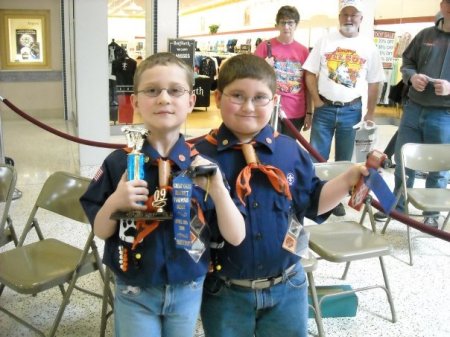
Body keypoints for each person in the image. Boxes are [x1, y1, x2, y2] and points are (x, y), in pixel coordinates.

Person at [195, 54, 368, 337]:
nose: (249, 107)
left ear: (274, 100)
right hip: (224, 291)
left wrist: (348, 179)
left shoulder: (289, 151)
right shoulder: (200, 157)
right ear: (217, 98)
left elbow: (311, 202)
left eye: (260, 97)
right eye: (237, 95)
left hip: (288, 286)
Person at [80, 52, 245, 337]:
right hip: (135, 288)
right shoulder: (118, 164)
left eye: (175, 90)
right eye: (152, 90)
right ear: (135, 101)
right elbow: (100, 229)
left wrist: (219, 191)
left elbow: (235, 236)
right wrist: (116, 201)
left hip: (188, 287)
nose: (164, 98)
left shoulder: (205, 167)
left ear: (191, 100)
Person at [302, 0, 384, 216]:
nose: (349, 18)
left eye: (353, 14)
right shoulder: (325, 40)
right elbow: (309, 72)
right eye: (345, 14)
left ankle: (335, 198)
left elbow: (375, 81)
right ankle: (314, 195)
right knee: (317, 155)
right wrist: (315, 100)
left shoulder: (369, 46)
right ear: (339, 17)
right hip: (325, 108)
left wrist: (371, 112)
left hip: (352, 110)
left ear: (361, 19)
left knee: (344, 159)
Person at [374, 4, 450, 227]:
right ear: (443, 6)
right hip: (413, 109)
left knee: (439, 166)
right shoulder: (425, 35)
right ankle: (397, 206)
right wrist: (411, 76)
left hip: (445, 114)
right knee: (402, 161)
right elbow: (407, 63)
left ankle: (432, 213)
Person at [254, 5, 311, 137]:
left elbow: (307, 85)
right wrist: (263, 66)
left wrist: (309, 113)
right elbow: (250, 76)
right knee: (268, 147)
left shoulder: (303, 51)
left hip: (296, 110)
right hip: (268, 108)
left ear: (296, 25)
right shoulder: (265, 46)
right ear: (277, 25)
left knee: (288, 148)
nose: (286, 27)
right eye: (283, 22)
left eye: (290, 23)